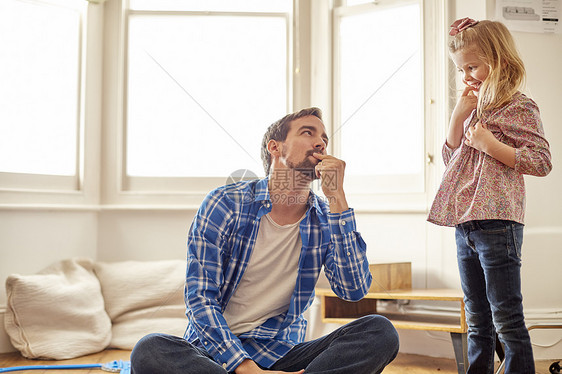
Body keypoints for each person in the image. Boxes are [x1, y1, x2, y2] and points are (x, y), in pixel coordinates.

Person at [131, 107, 399, 374]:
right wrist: (245, 367)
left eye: (324, 139)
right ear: (275, 147)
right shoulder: (225, 203)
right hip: (214, 354)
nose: (320, 143)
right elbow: (200, 298)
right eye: (308, 132)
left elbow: (352, 289)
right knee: (150, 349)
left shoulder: (327, 217)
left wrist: (337, 198)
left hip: (280, 354)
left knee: (379, 331)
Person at [428, 18, 552, 374]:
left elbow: (541, 162)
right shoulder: (472, 110)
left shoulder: (520, 106)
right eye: (461, 69)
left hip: (499, 223)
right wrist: (456, 119)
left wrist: (490, 144)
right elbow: (454, 164)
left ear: (498, 60)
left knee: (506, 316)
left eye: (472, 66)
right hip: (465, 223)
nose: (466, 75)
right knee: (477, 318)